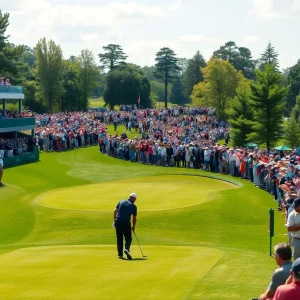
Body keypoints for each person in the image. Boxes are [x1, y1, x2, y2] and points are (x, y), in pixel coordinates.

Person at [113, 192, 137, 260]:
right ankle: (126, 249)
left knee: (119, 238)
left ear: (129, 197)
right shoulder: (134, 206)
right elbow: (134, 218)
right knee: (128, 238)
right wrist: (133, 226)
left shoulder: (121, 201)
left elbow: (115, 211)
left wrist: (115, 221)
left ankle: (120, 255)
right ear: (134, 199)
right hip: (126, 223)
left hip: (118, 222)